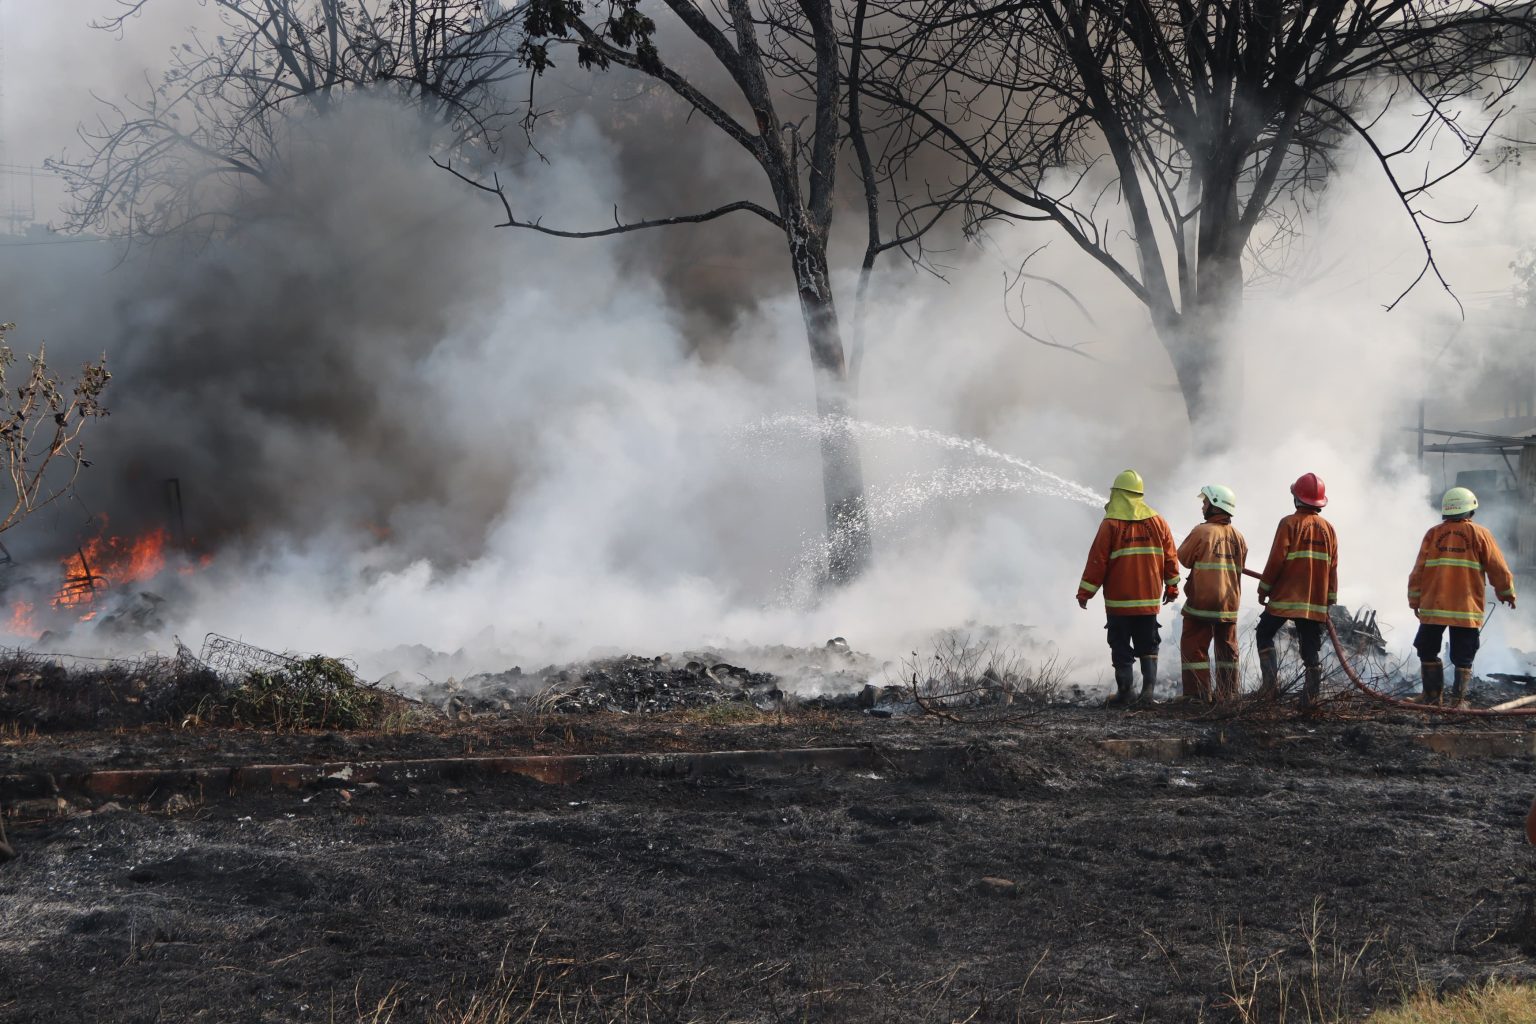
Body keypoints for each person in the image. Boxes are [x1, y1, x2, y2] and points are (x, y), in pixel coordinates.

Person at [1077, 470, 1181, 707]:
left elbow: (1097, 561)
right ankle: (1148, 695)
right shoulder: (1158, 521)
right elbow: (1170, 557)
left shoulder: (1110, 524)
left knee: (1120, 645)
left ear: (1118, 494)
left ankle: (1126, 693)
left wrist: (1085, 593)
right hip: (1148, 601)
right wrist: (1172, 587)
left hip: (1119, 603)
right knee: (1149, 645)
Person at [1407, 486, 1516, 707]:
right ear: (1471, 510)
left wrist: (1414, 600)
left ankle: (1431, 697)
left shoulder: (1433, 534)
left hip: (1434, 605)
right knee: (1463, 655)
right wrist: (1506, 592)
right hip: (1465, 608)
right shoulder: (1480, 534)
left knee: (1427, 649)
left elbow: (1418, 571)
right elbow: (1498, 568)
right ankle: (1458, 702)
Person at [1255, 472, 1338, 710]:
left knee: (1264, 633)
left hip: (1286, 596)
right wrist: (1329, 598)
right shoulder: (1329, 529)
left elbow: (1276, 560)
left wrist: (1264, 588)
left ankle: (1269, 689)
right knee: (1310, 647)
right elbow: (1333, 566)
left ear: (1297, 498)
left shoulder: (1289, 523)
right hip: (1314, 600)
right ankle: (1311, 698)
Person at [1177, 485, 1248, 702]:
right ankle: (1228, 693)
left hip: (1203, 601)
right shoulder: (1239, 536)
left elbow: (1184, 558)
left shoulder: (1202, 531)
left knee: (1194, 645)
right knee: (1227, 649)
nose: (1202, 506)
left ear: (1215, 505)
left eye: (1205, 502)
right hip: (1229, 603)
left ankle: (1197, 694)